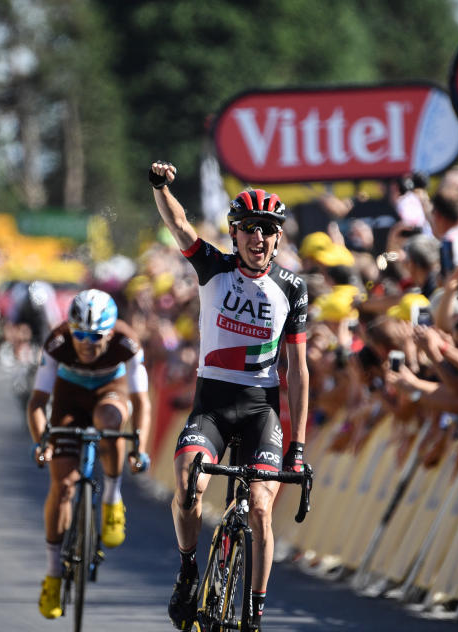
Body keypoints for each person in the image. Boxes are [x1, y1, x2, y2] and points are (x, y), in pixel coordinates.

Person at [149, 161, 309, 632]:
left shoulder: (293, 289)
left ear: (278, 238)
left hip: (261, 409)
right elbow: (178, 224)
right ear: (235, 235)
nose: (258, 238)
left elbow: (297, 372)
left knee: (260, 507)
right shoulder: (213, 266)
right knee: (188, 485)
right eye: (249, 230)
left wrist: (297, 448)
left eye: (268, 230)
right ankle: (187, 570)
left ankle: (255, 614)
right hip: (213, 406)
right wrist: (160, 187)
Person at [28, 288, 152, 619]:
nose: (86, 343)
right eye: (79, 334)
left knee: (110, 421)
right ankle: (54, 573)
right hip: (68, 399)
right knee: (63, 485)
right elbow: (37, 403)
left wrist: (139, 445)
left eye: (95, 337)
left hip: (111, 392)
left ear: (110, 332)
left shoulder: (127, 342)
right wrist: (43, 441)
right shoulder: (57, 341)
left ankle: (112, 496)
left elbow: (141, 403)